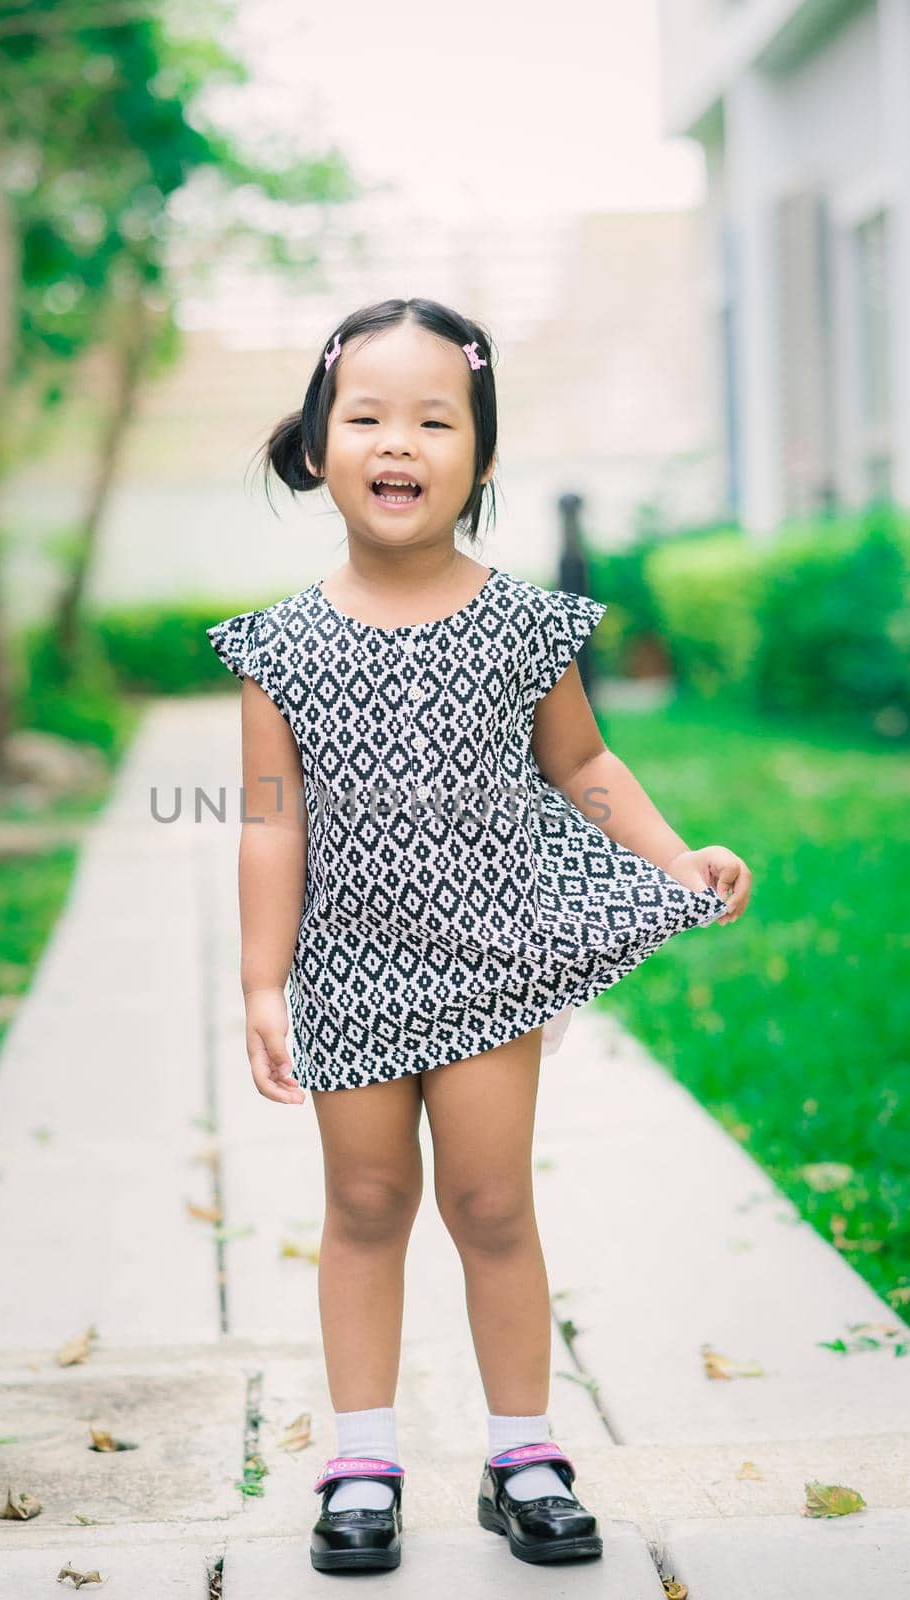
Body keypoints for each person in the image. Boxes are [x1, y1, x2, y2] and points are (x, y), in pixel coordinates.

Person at [206, 297, 751, 1574]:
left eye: (433, 418)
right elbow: (270, 824)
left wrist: (674, 858)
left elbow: (583, 762)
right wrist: (258, 977)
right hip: (347, 967)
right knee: (364, 1196)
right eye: (369, 415)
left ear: (482, 456)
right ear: (319, 442)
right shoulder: (278, 647)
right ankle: (358, 1459)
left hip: (489, 958)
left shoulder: (519, 624)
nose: (399, 440)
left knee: (490, 1198)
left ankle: (524, 1452)